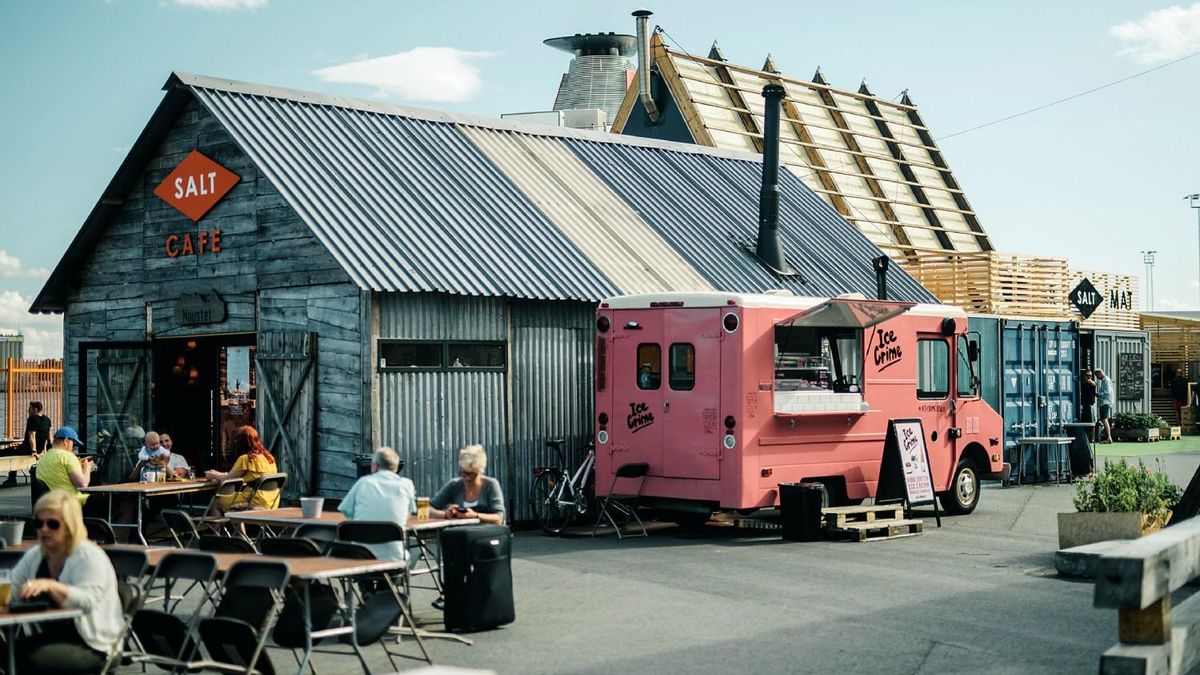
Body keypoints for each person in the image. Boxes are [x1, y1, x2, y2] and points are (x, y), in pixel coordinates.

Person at [9, 489, 123, 671]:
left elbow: (87, 601)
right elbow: (13, 588)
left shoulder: (88, 556)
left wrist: (52, 585)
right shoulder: (36, 554)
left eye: (53, 524)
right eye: (38, 523)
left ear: (70, 526)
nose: (44, 529)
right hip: (50, 638)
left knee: (24, 659)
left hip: (93, 645)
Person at [338, 447, 416, 561]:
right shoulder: (407, 485)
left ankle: (367, 579)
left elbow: (346, 510)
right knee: (414, 552)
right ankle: (394, 579)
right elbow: (409, 513)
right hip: (394, 559)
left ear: (375, 466)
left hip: (360, 556)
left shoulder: (363, 483)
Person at [205, 426, 279, 515]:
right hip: (271, 501)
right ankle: (238, 529)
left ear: (240, 442)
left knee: (215, 502)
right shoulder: (269, 458)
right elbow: (239, 476)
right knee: (235, 508)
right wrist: (219, 474)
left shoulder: (246, 459)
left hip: (254, 500)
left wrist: (212, 475)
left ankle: (216, 529)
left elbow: (228, 478)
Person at [430, 444, 506, 525]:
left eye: (472, 474)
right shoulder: (454, 485)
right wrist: (446, 514)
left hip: (486, 534)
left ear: (480, 471)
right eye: (464, 473)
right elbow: (428, 509)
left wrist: (476, 515)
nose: (467, 478)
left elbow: (499, 518)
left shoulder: (491, 485)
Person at [36, 427, 94, 506]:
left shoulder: (43, 458)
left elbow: (59, 474)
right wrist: (87, 468)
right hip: (71, 502)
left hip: (50, 502)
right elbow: (82, 485)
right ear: (66, 441)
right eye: (73, 442)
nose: (73, 447)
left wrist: (78, 467)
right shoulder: (68, 457)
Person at [0, 402, 48, 488]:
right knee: (12, 451)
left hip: (28, 450)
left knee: (4, 452)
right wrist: (48, 450)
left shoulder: (32, 419)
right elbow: (50, 437)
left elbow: (32, 436)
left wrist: (33, 451)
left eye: (29, 409)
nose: (28, 411)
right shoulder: (47, 420)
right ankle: (12, 479)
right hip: (39, 450)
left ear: (35, 409)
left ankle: (12, 479)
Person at [1096, 368, 1114, 444]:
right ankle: (1108, 437)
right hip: (1104, 402)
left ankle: (1109, 437)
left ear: (1100, 373)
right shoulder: (1105, 380)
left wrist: (1099, 394)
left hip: (1105, 402)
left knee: (1104, 419)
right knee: (1104, 419)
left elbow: (1107, 392)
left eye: (1097, 375)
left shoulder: (1106, 380)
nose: (1097, 377)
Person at [1079, 371, 1097, 441]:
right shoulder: (1082, 384)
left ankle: (1092, 438)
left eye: (1090, 375)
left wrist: (1090, 381)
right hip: (1083, 404)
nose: (1089, 377)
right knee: (1083, 421)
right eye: (1087, 375)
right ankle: (1084, 437)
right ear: (1084, 376)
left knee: (1092, 422)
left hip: (1090, 404)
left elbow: (1094, 384)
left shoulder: (1092, 383)